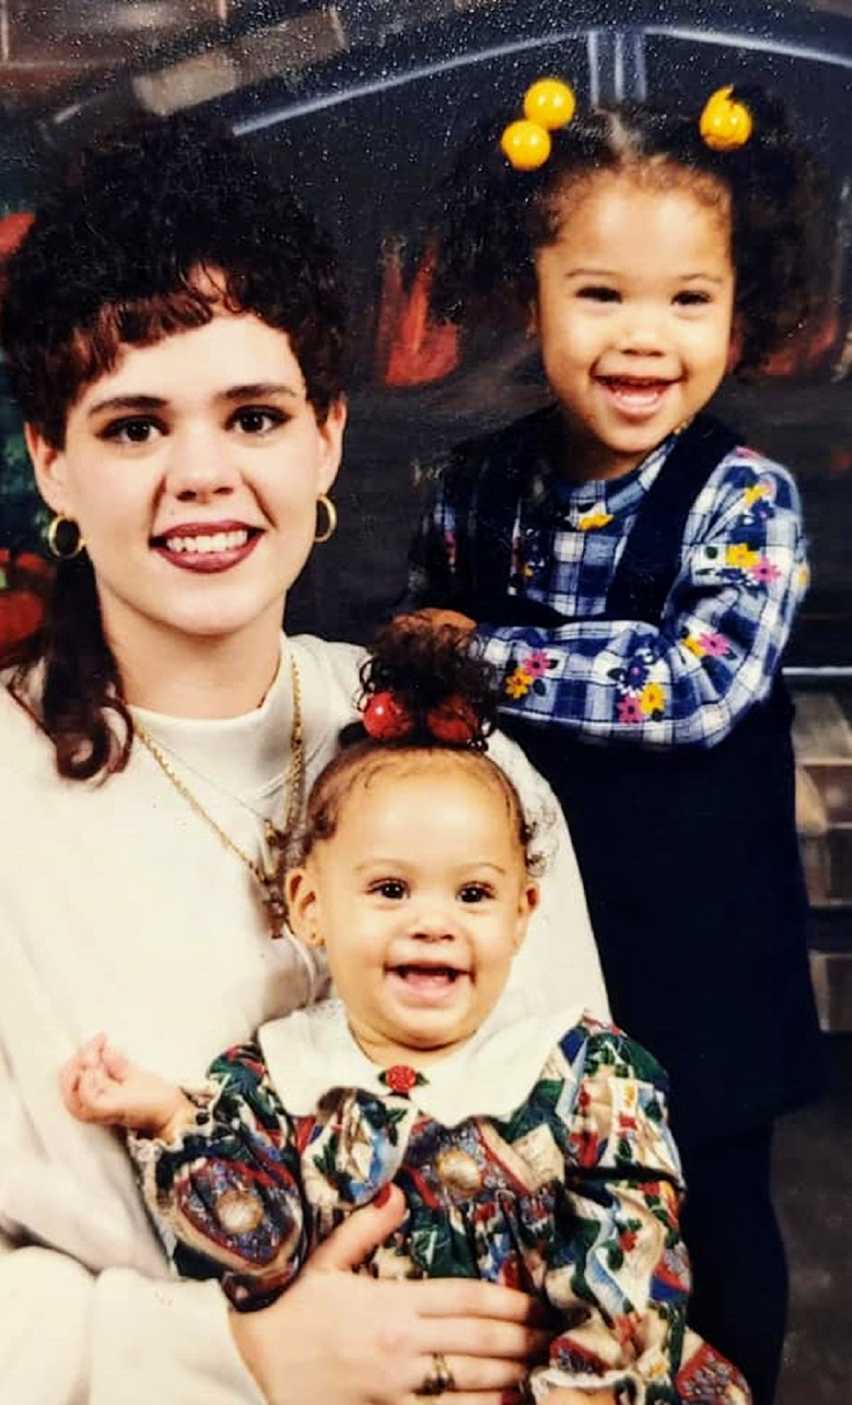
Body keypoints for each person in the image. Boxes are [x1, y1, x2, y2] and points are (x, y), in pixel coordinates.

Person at [0, 118, 608, 1405]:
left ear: (327, 440)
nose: (203, 475)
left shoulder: (471, 762)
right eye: (134, 427)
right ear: (51, 464)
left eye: (253, 414)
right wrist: (237, 1353)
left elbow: (586, 1135)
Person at [405, 81, 829, 1405]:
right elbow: (429, 705)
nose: (645, 338)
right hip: (532, 928)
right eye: (600, 295)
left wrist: (480, 654)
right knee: (537, 1186)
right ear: (525, 300)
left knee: (707, 1216)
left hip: (698, 947)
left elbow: (694, 682)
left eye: (686, 300)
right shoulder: (476, 487)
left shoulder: (746, 498)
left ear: (736, 309)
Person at [60, 625, 750, 1405]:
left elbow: (629, 1293)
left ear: (523, 914)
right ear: (310, 907)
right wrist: (172, 1121)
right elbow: (259, 1251)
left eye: (474, 893)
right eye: (391, 889)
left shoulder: (582, 1077)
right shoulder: (279, 1079)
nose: (434, 922)